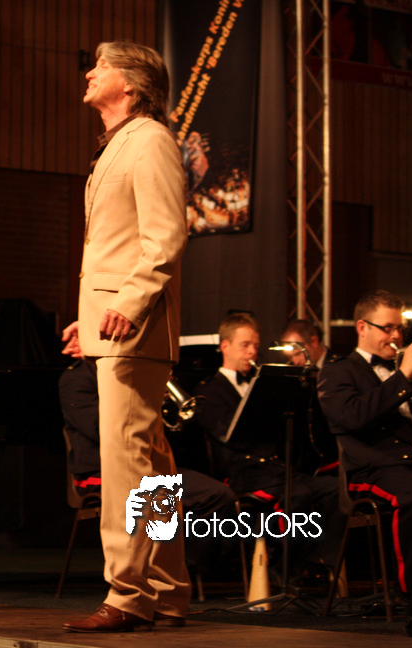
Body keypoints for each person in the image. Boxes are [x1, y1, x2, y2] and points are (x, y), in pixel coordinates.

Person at [60, 40, 191, 633]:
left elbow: (165, 236)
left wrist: (130, 302)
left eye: (102, 67)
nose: (90, 74)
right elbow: (116, 246)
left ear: (132, 85)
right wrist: (90, 313)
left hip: (134, 327)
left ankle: (128, 593)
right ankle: (167, 589)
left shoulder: (150, 139)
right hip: (117, 322)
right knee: (151, 463)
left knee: (126, 463)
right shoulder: (120, 142)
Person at [193, 313, 343, 567]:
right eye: (245, 345)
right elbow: (227, 434)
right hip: (244, 473)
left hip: (277, 469)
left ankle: (321, 563)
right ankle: (284, 568)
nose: (252, 352)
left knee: (335, 489)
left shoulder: (263, 383)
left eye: (255, 346)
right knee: (297, 495)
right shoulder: (207, 391)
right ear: (225, 346)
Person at [59, 359, 238, 569]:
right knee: (199, 496)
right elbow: (103, 431)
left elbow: (167, 438)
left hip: (146, 466)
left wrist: (159, 403)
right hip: (102, 471)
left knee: (218, 495)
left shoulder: (132, 372)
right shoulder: (78, 378)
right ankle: (172, 568)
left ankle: (184, 566)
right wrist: (144, 401)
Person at [317, 289, 412, 595]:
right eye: (388, 328)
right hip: (373, 468)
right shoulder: (337, 371)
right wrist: (402, 379)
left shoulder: (401, 373)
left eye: (400, 329)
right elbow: (354, 416)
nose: (396, 336)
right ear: (362, 327)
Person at [279, 319, 339, 473]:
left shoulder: (339, 366)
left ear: (314, 341)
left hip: (334, 450)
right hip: (304, 456)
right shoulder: (292, 371)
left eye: (298, 354)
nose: (295, 361)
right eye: (290, 357)